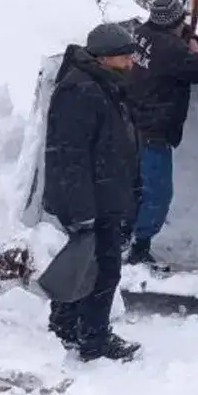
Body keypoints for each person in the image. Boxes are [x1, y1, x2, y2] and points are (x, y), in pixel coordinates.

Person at [42, 22, 143, 362]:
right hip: (92, 199)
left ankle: (67, 326)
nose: (131, 63)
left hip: (105, 194)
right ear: (103, 58)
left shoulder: (103, 85)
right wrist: (82, 209)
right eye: (124, 58)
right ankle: (94, 337)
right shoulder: (81, 91)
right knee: (103, 269)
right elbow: (69, 155)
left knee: (87, 264)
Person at [126, 0, 198, 266]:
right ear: (174, 24)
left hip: (133, 122)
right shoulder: (171, 49)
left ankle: (123, 235)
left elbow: (177, 39)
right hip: (155, 129)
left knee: (135, 187)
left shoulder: (143, 33)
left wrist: (189, 36)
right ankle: (138, 247)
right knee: (158, 193)